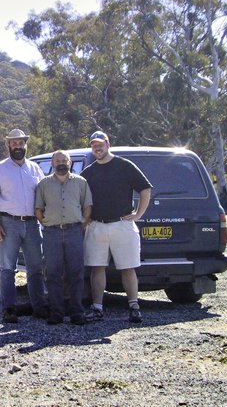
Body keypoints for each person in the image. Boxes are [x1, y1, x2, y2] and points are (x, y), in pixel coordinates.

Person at [81, 131, 152, 324]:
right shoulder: (88, 172)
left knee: (128, 268)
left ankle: (134, 306)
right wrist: (84, 220)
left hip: (123, 224)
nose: (97, 148)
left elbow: (145, 188)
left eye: (100, 144)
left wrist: (138, 214)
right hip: (97, 226)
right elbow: (80, 198)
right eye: (94, 145)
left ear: (108, 144)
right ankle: (97, 308)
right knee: (97, 268)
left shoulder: (125, 166)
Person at [0, 128, 47, 323]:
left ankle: (38, 307)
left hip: (31, 224)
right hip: (8, 223)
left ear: (25, 145)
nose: (17, 146)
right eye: (13, 143)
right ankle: (9, 309)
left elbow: (43, 195)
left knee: (36, 267)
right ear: (8, 145)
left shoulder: (35, 169)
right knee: (7, 268)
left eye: (20, 143)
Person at [35, 150, 92, 325]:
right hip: (51, 233)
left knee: (76, 273)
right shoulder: (43, 184)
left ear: (70, 163)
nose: (61, 163)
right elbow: (38, 209)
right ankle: (56, 313)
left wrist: (81, 225)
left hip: (74, 232)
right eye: (57, 160)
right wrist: (48, 224)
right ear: (52, 164)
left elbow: (87, 206)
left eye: (64, 160)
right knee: (52, 274)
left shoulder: (81, 182)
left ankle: (76, 312)